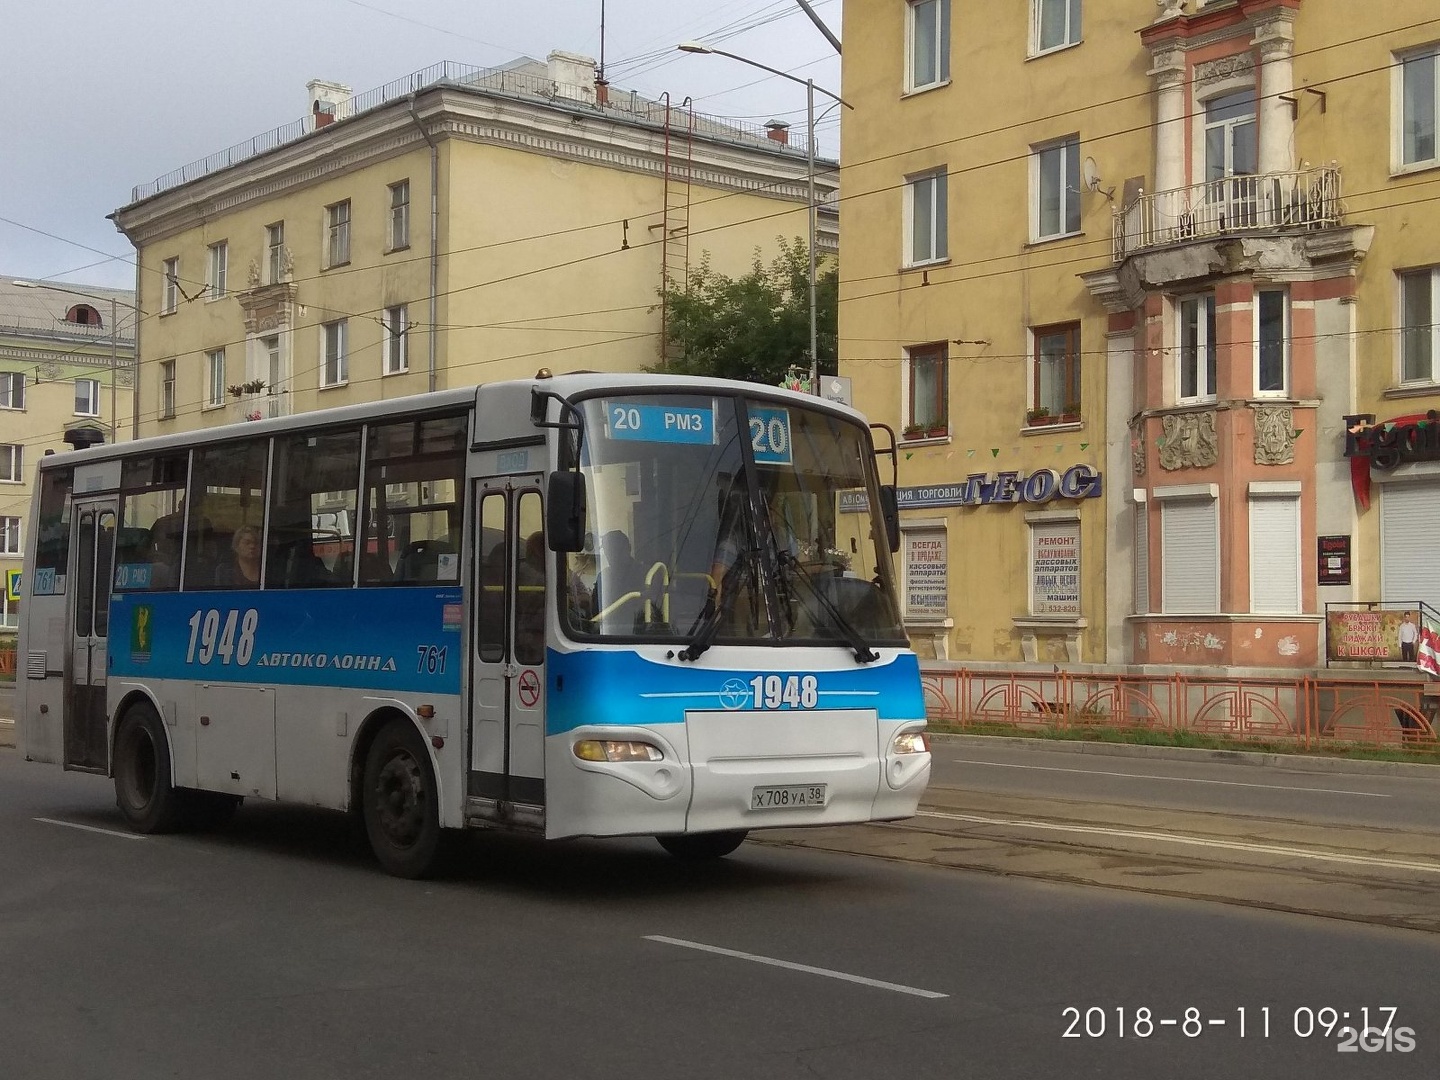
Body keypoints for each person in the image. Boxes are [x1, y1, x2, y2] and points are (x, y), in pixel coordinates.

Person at [593, 530, 645, 614]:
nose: (612, 554)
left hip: (636, 625)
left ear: (628, 548)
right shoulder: (603, 577)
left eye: (617, 549)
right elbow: (596, 611)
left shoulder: (644, 574)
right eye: (608, 550)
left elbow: (648, 607)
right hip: (606, 626)